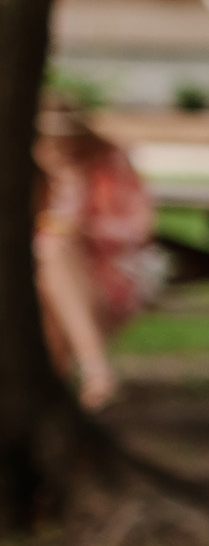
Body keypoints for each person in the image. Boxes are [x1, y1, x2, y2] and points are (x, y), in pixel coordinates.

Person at [35, 92, 163, 410]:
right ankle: (71, 387)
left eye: (65, 138)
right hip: (49, 279)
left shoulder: (108, 162)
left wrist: (85, 229)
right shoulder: (32, 169)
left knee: (52, 251)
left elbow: (139, 227)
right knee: (47, 272)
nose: (59, 147)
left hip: (111, 272)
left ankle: (91, 373)